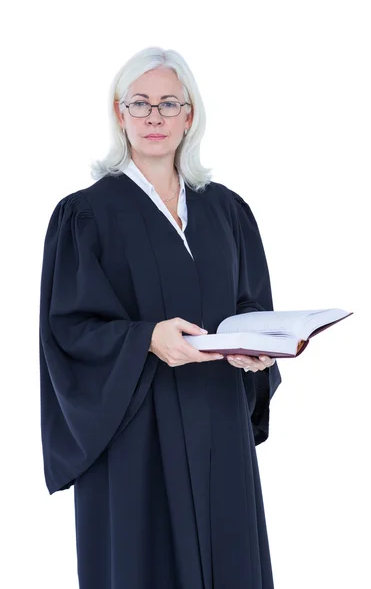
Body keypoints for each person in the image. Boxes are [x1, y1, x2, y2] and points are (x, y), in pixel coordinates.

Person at [39, 46, 282, 589]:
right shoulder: (86, 215)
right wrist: (146, 338)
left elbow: (250, 305)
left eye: (169, 103)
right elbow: (68, 331)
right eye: (140, 103)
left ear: (189, 116)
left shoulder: (227, 211)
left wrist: (253, 347)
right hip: (134, 433)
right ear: (119, 114)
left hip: (218, 421)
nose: (154, 116)